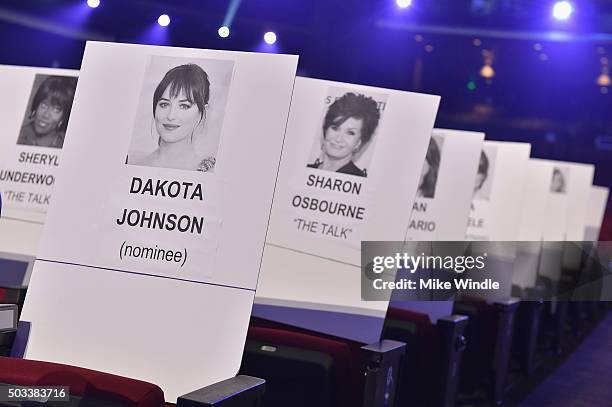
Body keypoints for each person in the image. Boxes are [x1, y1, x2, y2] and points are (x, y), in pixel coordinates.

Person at [129, 64, 215, 172]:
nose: (170, 116)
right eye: (164, 104)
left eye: (184, 106)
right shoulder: (133, 163)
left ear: (203, 111)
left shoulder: (211, 172)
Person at [307, 92, 380, 177]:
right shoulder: (306, 169)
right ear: (326, 130)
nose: (338, 139)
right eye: (335, 128)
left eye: (350, 133)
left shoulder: (358, 179)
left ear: (358, 143)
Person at [17, 75, 77, 149]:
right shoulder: (19, 134)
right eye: (44, 105)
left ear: (63, 117)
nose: (46, 115)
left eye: (56, 110)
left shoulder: (70, 145)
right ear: (36, 106)